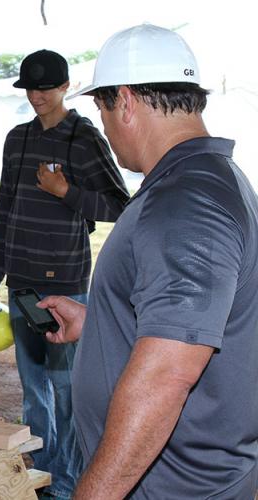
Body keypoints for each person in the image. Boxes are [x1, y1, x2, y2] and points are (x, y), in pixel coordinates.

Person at [39, 24, 258, 499]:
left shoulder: (187, 201)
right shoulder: (205, 182)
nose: (104, 126)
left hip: (172, 486)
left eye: (101, 110)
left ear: (126, 101)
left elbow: (168, 374)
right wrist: (104, 323)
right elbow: (194, 322)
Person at [0, 49, 130, 498]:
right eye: (29, 87)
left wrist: (65, 191)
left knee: (68, 390)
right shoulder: (17, 139)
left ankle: (68, 485)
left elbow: (121, 205)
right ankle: (42, 478)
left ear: (65, 87)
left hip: (66, 283)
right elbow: (4, 210)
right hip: (21, 280)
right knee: (33, 392)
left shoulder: (84, 139)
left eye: (45, 87)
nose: (36, 95)